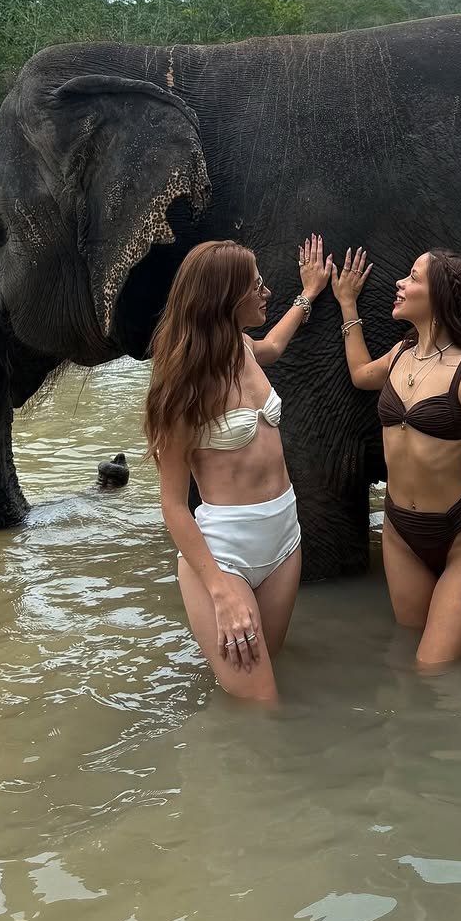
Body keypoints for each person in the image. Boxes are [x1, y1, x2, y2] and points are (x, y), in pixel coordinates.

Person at [144, 235, 334, 701]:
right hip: (225, 554)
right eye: (256, 286)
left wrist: (308, 295)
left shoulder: (243, 349)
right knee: (261, 704)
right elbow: (173, 506)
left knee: (258, 684)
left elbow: (275, 344)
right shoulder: (184, 387)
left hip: (285, 539)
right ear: (226, 299)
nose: (265, 291)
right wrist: (221, 592)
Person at [331, 246, 461, 665]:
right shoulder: (399, 355)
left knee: (432, 669)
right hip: (400, 535)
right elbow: (360, 375)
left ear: (441, 296)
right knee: (407, 661)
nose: (400, 283)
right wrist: (346, 303)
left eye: (412, 277)